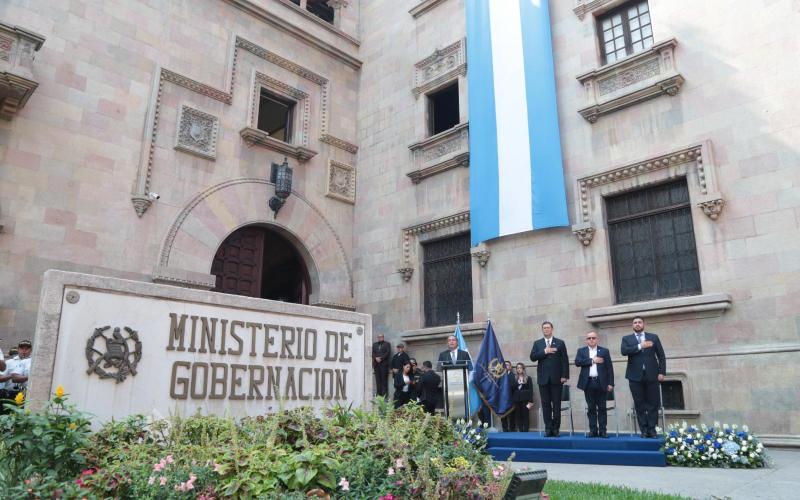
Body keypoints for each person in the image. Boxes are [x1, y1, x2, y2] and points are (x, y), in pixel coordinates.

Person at [621, 317, 666, 438]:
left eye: (639, 322)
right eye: (635, 323)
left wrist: (662, 372)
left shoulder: (653, 337)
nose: (637, 324)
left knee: (653, 404)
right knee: (639, 404)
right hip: (635, 376)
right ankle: (644, 430)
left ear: (643, 324)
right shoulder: (626, 339)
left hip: (652, 375)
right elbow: (624, 351)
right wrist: (640, 346)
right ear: (632, 325)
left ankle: (652, 430)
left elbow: (661, 356)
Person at [529, 321, 569, 437]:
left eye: (548, 328)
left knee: (556, 405)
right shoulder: (538, 343)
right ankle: (548, 428)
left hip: (557, 379)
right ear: (542, 330)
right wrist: (544, 351)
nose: (546, 329)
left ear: (552, 329)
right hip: (543, 379)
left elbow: (564, 361)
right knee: (546, 404)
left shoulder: (560, 343)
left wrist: (564, 375)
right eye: (544, 328)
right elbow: (532, 357)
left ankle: (556, 429)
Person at [575, 331, 615, 438]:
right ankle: (593, 430)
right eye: (589, 338)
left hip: (601, 382)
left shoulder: (604, 351)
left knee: (602, 407)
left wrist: (611, 383)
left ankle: (603, 430)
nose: (591, 340)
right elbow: (577, 362)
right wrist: (592, 360)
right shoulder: (581, 351)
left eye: (593, 338)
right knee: (591, 407)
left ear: (597, 339)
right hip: (588, 382)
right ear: (586, 340)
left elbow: (609, 368)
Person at [511, 363, 534, 432]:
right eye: (517, 368)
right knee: (518, 415)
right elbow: (511, 389)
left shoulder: (528, 378)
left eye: (520, 368)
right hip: (516, 399)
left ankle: (526, 429)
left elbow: (531, 390)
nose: (519, 369)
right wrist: (517, 383)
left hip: (525, 399)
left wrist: (531, 400)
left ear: (523, 369)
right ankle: (520, 429)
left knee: (525, 414)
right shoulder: (514, 378)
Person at [500, 361, 516, 431]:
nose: (506, 366)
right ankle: (505, 428)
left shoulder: (513, 375)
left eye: (507, 365)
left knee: (512, 414)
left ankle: (512, 429)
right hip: (502, 399)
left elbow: (514, 385)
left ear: (510, 367)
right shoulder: (500, 376)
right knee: (503, 414)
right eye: (505, 365)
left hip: (510, 397)